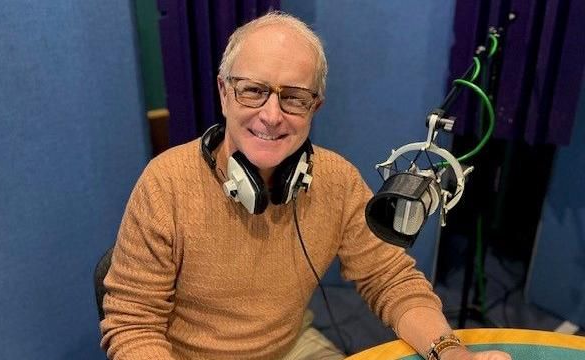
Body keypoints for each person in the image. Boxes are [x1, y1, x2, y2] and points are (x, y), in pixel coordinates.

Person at [100, 11, 512, 360]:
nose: (272, 115)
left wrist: (450, 350)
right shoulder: (166, 182)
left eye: (294, 97)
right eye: (254, 91)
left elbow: (390, 279)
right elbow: (133, 324)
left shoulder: (336, 181)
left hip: (291, 346)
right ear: (225, 93)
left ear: (316, 106)